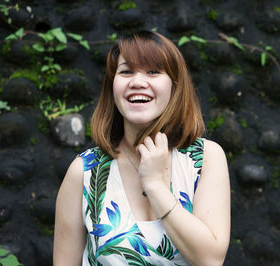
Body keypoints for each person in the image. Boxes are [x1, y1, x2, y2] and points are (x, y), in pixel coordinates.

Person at [53, 30, 231, 265]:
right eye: (126, 71)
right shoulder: (85, 171)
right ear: (112, 87)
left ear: (174, 87)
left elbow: (210, 260)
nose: (137, 82)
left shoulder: (205, 158)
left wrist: (155, 186)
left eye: (153, 72)